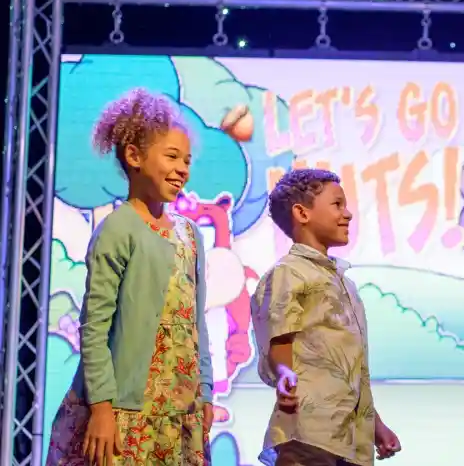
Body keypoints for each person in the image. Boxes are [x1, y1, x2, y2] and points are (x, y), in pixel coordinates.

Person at [46, 88, 214, 466]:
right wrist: (103, 409)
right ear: (134, 157)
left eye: (187, 160)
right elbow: (95, 328)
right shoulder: (118, 229)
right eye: (171, 156)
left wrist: (205, 392)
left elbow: (195, 322)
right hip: (128, 407)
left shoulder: (190, 234)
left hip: (180, 407)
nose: (182, 168)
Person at [251, 168, 401, 466]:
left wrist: (375, 424)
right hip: (309, 433)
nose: (348, 214)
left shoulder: (345, 283)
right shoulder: (288, 274)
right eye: (337, 204)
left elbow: (353, 370)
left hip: (351, 440)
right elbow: (279, 335)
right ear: (302, 213)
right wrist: (284, 373)